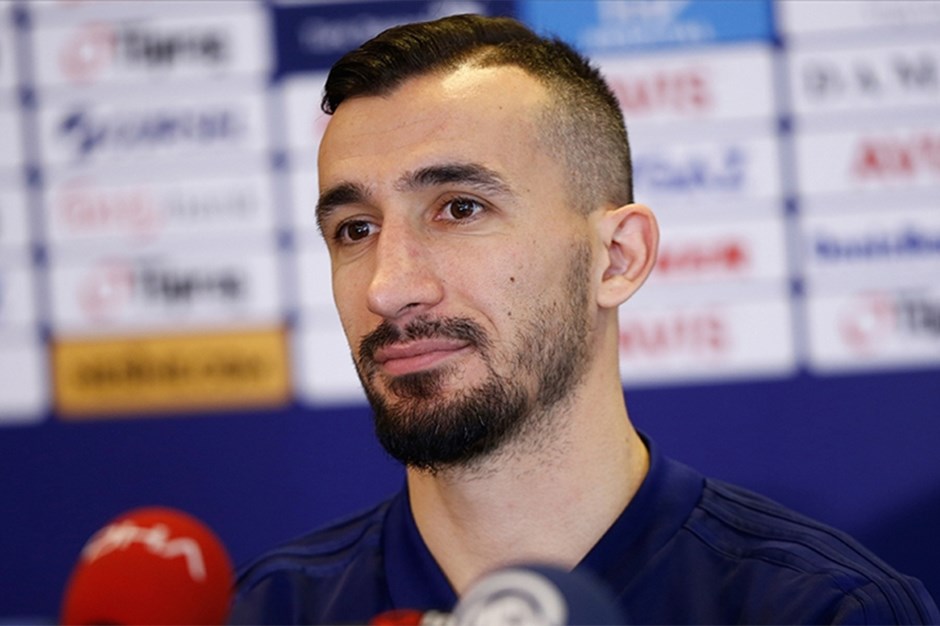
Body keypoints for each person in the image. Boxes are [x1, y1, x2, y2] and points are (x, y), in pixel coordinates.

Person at [229, 14, 939, 625]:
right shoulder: (269, 609)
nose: (389, 288)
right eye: (355, 229)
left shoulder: (824, 610)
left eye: (460, 209)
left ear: (617, 258)